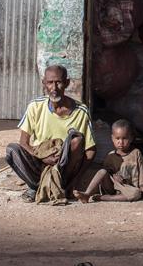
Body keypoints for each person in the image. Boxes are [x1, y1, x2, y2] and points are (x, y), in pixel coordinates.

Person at [5, 65, 96, 203]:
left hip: (64, 167)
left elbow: (90, 150)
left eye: (58, 82)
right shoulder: (35, 106)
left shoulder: (81, 111)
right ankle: (35, 185)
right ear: (44, 83)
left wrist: (76, 180)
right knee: (12, 150)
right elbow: (24, 142)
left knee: (76, 139)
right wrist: (41, 157)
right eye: (50, 82)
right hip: (39, 162)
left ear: (67, 83)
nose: (54, 88)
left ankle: (62, 184)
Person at [73, 119, 143, 203]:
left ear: (131, 138)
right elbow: (106, 171)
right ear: (112, 138)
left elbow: (141, 172)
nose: (121, 142)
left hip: (128, 188)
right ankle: (87, 194)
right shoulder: (111, 155)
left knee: (136, 193)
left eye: (124, 138)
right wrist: (113, 175)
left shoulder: (136, 153)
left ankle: (105, 198)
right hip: (112, 187)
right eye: (117, 138)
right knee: (102, 171)